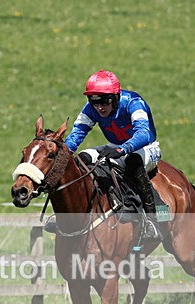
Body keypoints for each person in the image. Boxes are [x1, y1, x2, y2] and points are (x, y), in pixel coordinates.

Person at [64, 70, 170, 238]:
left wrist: (122, 149)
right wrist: (63, 155)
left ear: (115, 97)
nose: (99, 107)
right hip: (115, 146)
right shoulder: (91, 109)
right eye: (94, 101)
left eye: (105, 101)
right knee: (80, 159)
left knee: (132, 161)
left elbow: (144, 133)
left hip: (146, 147)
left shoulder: (134, 102)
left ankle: (153, 219)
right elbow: (77, 134)